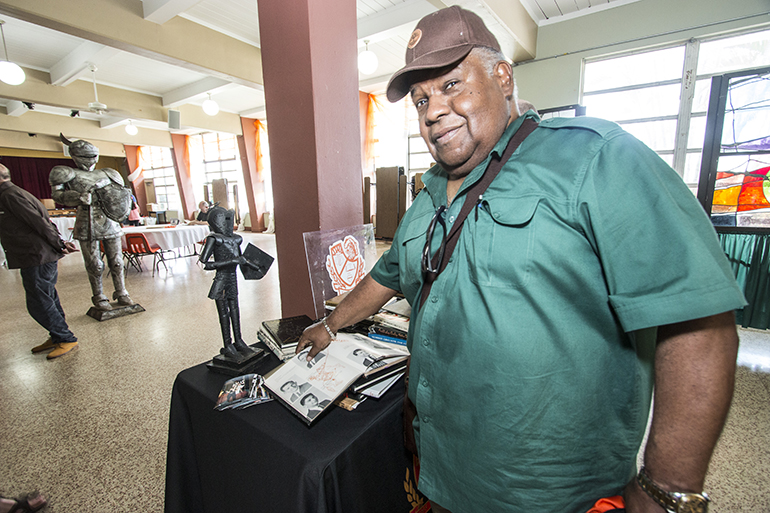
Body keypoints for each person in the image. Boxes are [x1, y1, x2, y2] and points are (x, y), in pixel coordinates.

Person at [296, 6, 746, 513]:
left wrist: (667, 487)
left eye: (450, 86)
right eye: (421, 100)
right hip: (438, 467)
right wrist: (330, 325)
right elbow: (385, 277)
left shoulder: (594, 159)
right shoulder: (425, 198)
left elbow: (697, 322)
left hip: (543, 491)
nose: (432, 111)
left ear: (502, 77)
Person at [0, 164, 79, 359]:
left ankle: (65, 337)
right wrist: (59, 243)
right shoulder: (14, 193)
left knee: (39, 302)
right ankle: (57, 335)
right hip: (35, 255)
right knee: (47, 297)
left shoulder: (10, 195)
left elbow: (40, 223)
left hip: (36, 255)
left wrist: (59, 244)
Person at [49, 136, 133, 311]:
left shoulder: (109, 173)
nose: (89, 160)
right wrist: (78, 197)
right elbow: (58, 196)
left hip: (109, 219)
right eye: (85, 156)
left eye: (92, 156)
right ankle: (99, 295)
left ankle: (121, 291)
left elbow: (120, 195)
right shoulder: (66, 173)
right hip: (87, 218)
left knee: (117, 261)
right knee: (95, 264)